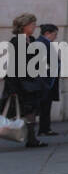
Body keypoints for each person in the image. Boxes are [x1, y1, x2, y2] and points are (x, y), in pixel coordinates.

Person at [3, 14, 47, 148]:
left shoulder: (32, 40)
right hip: (19, 83)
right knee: (9, 112)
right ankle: (31, 139)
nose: (35, 27)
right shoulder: (16, 42)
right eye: (32, 24)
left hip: (32, 82)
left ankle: (32, 139)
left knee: (31, 111)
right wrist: (13, 88)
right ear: (24, 26)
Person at [36, 24, 60, 136]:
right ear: (47, 33)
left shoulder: (44, 43)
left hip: (47, 80)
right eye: (54, 34)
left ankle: (45, 128)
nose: (55, 37)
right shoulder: (41, 43)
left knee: (46, 105)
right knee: (44, 105)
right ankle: (44, 128)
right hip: (45, 80)